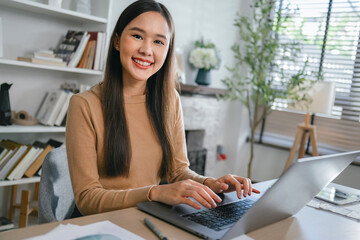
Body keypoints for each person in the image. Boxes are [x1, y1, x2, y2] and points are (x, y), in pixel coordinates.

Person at [66, 0, 260, 216]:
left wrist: (211, 184)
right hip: (100, 223)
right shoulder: (84, 104)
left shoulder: (170, 100)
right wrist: (154, 193)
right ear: (117, 41)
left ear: (167, 51)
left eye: (159, 42)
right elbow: (87, 199)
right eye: (137, 36)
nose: (146, 50)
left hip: (146, 217)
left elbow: (177, 171)